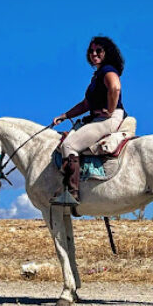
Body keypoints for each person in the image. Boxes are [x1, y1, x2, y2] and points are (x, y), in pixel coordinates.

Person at [50, 36, 127, 206]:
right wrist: (65, 115)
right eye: (91, 51)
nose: (94, 54)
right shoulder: (97, 75)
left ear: (107, 52)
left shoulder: (107, 70)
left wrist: (110, 110)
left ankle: (71, 193)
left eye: (98, 50)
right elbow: (86, 104)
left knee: (68, 145)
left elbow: (115, 88)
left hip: (107, 118)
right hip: (100, 116)